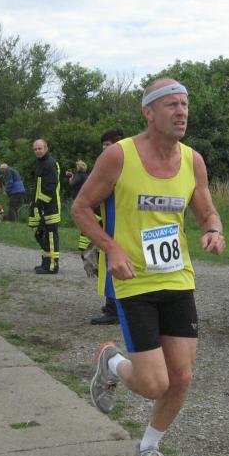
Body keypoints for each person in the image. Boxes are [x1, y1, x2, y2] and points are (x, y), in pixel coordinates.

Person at [73, 78, 225, 456]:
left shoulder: (193, 161)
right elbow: (81, 208)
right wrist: (111, 248)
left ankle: (148, 450)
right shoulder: (119, 156)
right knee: (154, 383)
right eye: (172, 105)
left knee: (182, 378)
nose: (182, 112)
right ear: (149, 112)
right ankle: (111, 361)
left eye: (185, 105)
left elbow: (207, 211)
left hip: (177, 277)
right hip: (134, 281)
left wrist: (214, 230)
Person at [89, 129, 125, 325]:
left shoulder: (119, 165)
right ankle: (113, 304)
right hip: (109, 219)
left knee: (113, 259)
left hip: (117, 221)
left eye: (108, 144)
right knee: (108, 260)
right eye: (103, 145)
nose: (105, 148)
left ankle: (115, 308)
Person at [29, 139, 61, 274]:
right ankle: (45, 263)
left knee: (51, 237)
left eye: (40, 148)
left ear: (46, 148)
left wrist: (40, 204)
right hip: (43, 208)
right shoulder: (41, 163)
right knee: (44, 236)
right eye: (35, 149)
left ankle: (52, 266)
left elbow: (50, 187)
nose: (37, 151)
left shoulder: (49, 163)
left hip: (49, 208)